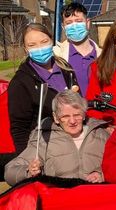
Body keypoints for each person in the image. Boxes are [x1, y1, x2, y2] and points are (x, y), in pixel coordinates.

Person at [1, 23, 80, 181]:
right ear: (25, 49)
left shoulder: (66, 70)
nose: (39, 48)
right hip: (45, 153)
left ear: (52, 41)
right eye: (32, 45)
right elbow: (19, 129)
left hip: (73, 146)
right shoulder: (21, 82)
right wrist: (28, 163)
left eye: (44, 42)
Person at [4, 90, 109, 186]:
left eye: (77, 115)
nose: (72, 121)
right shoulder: (45, 139)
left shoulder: (101, 135)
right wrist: (28, 172)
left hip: (96, 200)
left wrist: (102, 174)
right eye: (65, 116)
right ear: (56, 118)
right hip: (59, 201)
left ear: (84, 114)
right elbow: (10, 172)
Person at [53, 2, 102, 97]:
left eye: (78, 21)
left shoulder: (103, 55)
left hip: (99, 110)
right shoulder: (56, 56)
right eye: (69, 23)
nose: (74, 26)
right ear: (63, 27)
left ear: (87, 23)